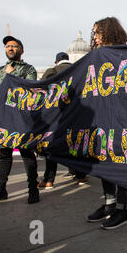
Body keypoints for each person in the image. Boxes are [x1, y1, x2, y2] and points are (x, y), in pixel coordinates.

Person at [0, 36, 40, 205]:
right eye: (7, 46)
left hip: (20, 119)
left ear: (21, 50)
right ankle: (0, 189)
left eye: (14, 46)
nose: (10, 48)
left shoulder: (28, 69)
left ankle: (33, 188)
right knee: (3, 155)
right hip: (0, 119)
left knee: (27, 154)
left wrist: (13, 78)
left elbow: (31, 91)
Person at [86, 17, 127, 229]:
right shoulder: (93, 57)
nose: (94, 36)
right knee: (104, 164)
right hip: (101, 119)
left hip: (123, 119)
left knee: (121, 164)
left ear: (109, 32)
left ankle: (123, 209)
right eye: (93, 32)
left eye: (98, 32)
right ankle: (109, 205)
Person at [37, 52, 88, 189]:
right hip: (77, 114)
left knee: (51, 147)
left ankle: (49, 179)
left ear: (56, 61)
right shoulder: (80, 70)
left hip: (56, 115)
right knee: (75, 145)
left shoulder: (52, 71)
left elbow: (41, 89)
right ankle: (81, 175)